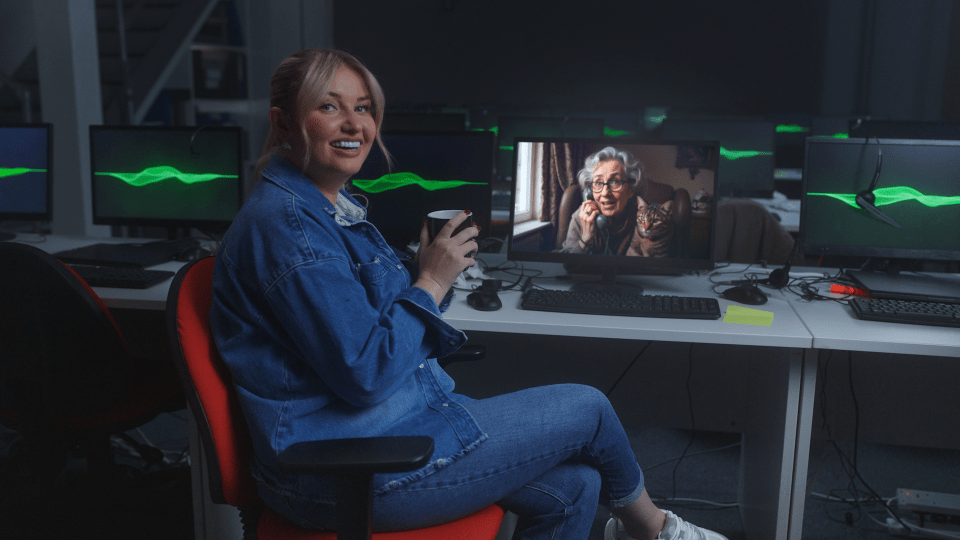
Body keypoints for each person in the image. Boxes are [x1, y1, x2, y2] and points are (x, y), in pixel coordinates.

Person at [210, 48, 727, 540]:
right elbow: (365, 372)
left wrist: (429, 274)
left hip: (392, 428)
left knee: (578, 488)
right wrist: (431, 281)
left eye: (363, 108)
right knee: (588, 408)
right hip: (344, 468)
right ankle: (654, 529)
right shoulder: (289, 231)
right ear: (282, 124)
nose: (355, 125)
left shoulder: (330, 211)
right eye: (329, 107)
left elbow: (377, 325)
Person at [561, 147, 645, 255]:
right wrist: (585, 240)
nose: (605, 193)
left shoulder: (645, 220)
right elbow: (567, 265)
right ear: (590, 192)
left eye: (615, 182)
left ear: (631, 189)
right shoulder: (581, 217)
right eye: (598, 183)